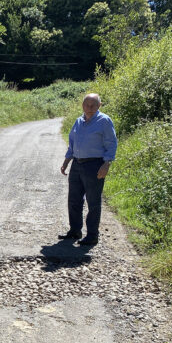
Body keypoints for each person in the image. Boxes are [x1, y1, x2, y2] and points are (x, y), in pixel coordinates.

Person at [59, 93, 118, 246]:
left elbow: (111, 143)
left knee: (93, 201)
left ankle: (92, 235)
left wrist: (107, 164)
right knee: (74, 199)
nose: (90, 108)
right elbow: (72, 143)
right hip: (77, 164)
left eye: (93, 105)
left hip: (94, 165)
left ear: (99, 105)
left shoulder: (104, 121)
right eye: (87, 105)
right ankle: (75, 230)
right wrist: (66, 161)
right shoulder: (79, 121)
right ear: (82, 106)